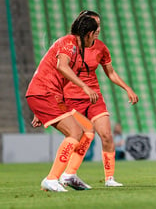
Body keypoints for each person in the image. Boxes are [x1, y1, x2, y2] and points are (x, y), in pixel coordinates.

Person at [59, 10, 139, 189]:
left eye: (99, 24)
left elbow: (110, 72)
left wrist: (127, 88)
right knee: (82, 135)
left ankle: (109, 179)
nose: (98, 29)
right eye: (95, 25)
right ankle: (67, 174)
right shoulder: (70, 45)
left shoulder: (101, 48)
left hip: (94, 98)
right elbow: (59, 70)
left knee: (107, 135)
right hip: (72, 99)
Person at [26, 16, 100, 192]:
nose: (96, 38)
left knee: (87, 129)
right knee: (75, 131)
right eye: (96, 34)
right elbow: (61, 66)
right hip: (44, 93)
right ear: (88, 34)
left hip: (49, 96)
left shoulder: (78, 51)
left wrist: (40, 111)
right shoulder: (68, 43)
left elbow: (61, 79)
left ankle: (68, 175)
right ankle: (52, 178)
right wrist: (85, 87)